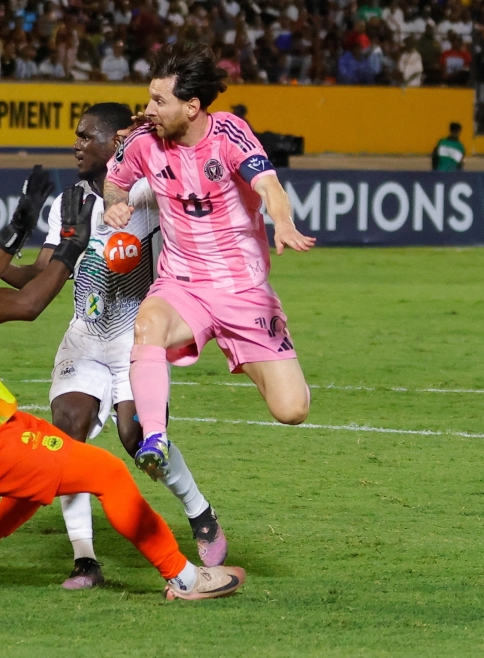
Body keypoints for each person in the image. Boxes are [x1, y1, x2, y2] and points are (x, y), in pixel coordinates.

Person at [0, 169, 247, 601]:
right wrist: (71, 247)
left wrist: (21, 221)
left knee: (53, 472)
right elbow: (27, 304)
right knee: (109, 473)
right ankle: (184, 578)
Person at [0, 103, 227, 590]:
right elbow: (43, 271)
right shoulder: (68, 202)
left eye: (85, 136)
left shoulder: (150, 193)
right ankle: (85, 561)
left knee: (136, 438)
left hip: (137, 334)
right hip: (84, 336)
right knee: (64, 439)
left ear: (117, 140)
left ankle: (201, 515)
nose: (75, 145)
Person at [102, 43, 315, 482]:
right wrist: (115, 204)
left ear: (192, 106)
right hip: (182, 286)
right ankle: (155, 440)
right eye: (150, 98)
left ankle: (257, 342)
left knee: (291, 409)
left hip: (244, 290)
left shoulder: (230, 134)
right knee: (149, 325)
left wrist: (283, 223)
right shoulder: (143, 141)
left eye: (159, 101)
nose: (148, 109)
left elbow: (270, 185)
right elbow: (114, 181)